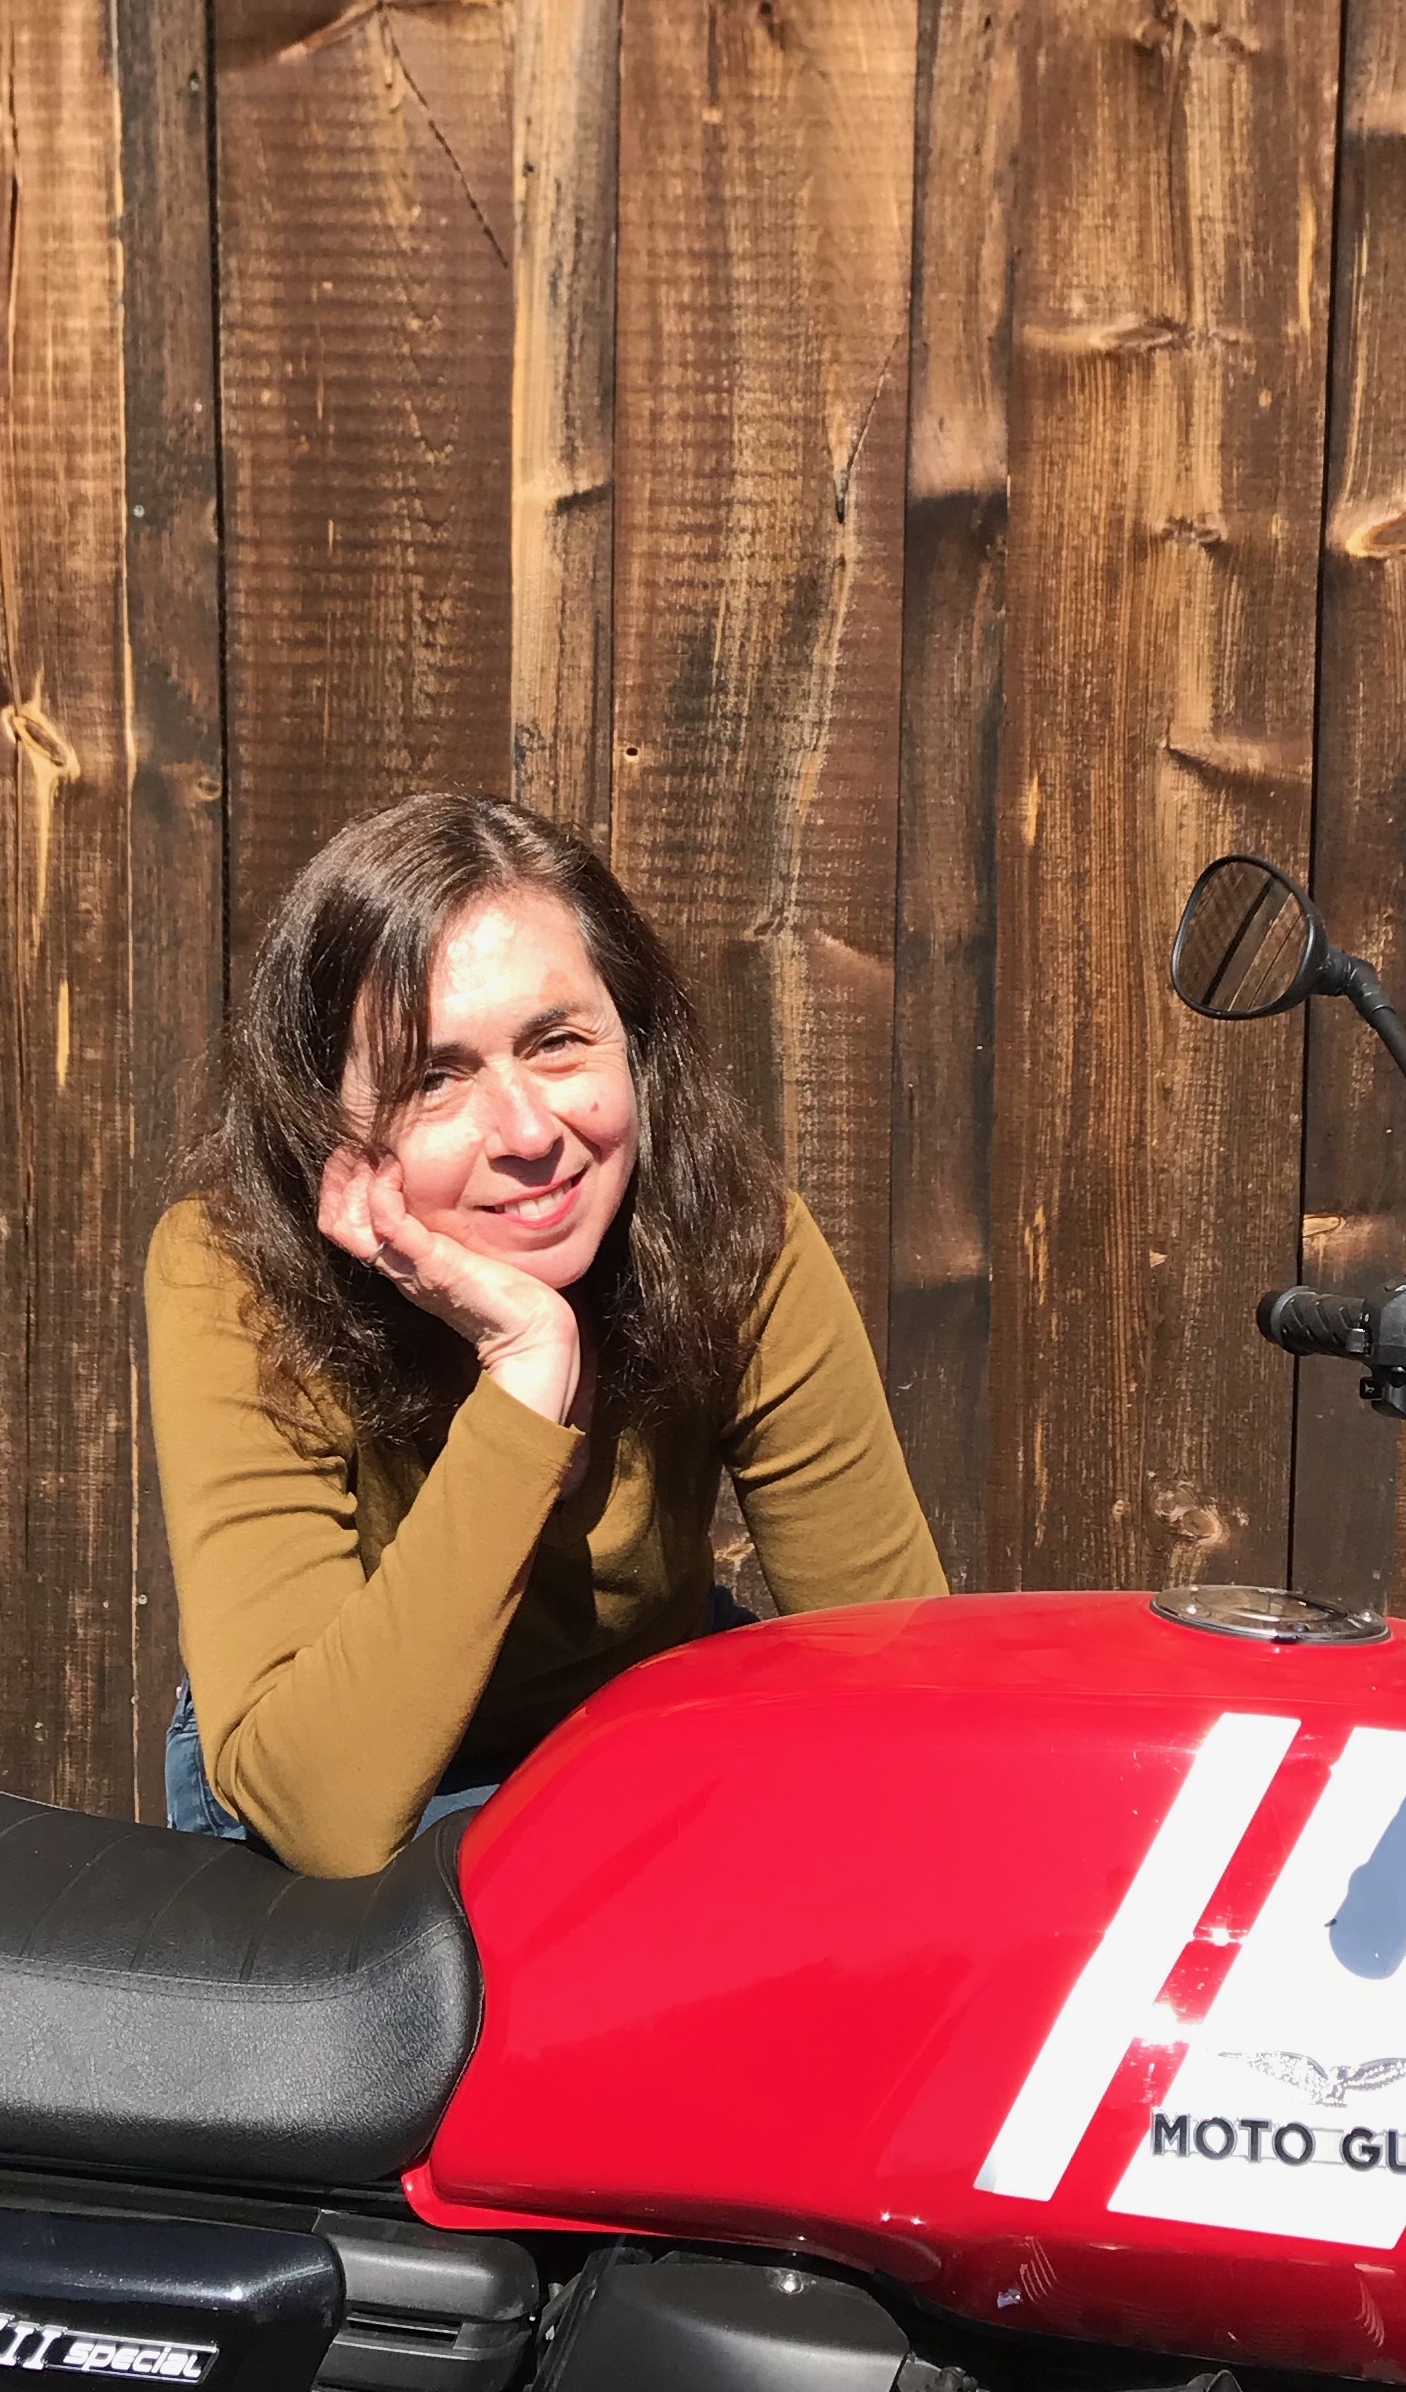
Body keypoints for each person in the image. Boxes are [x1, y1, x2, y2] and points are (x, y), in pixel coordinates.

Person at [145, 794, 946, 1877]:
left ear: (635, 1040)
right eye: (434, 1078)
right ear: (323, 1116)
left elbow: (901, 1685)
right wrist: (527, 1375)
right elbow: (323, 1813)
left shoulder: (731, 1237)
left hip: (639, 1724)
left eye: (559, 1043)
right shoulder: (234, 1272)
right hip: (351, 1773)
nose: (528, 1133)